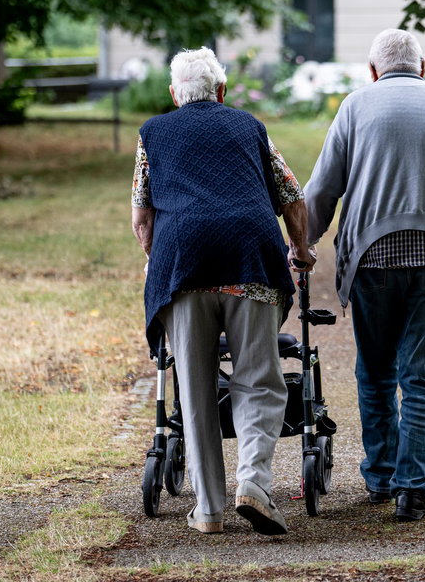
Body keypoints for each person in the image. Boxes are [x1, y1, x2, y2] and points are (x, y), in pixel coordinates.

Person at [304, 29, 425, 522]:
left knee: (375, 372)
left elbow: (322, 190)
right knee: (424, 377)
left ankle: (382, 477)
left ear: (373, 71)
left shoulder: (355, 106)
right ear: (423, 67)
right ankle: (413, 491)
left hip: (372, 259)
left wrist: (301, 243)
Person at [131, 47, 316, 535]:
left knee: (194, 390)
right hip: (249, 258)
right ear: (222, 90)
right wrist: (300, 249)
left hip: (183, 265)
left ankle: (209, 510)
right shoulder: (249, 126)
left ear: (174, 95)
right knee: (258, 379)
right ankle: (253, 482)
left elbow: (142, 217)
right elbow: (292, 195)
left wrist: (156, 259)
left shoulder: (152, 133)